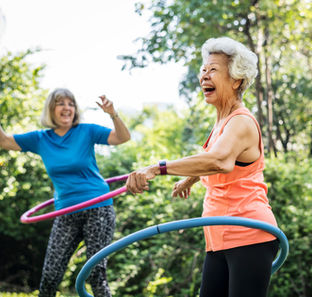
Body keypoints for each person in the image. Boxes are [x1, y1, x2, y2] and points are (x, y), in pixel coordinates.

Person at [125, 37, 279, 297]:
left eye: (213, 70)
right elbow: (212, 159)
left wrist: (156, 168)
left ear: (236, 79)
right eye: (203, 70)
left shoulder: (240, 122)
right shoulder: (222, 123)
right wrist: (190, 179)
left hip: (249, 234)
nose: (204, 76)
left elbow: (219, 160)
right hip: (218, 237)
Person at [0, 88, 130, 297]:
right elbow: (4, 141)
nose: (67, 108)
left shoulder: (86, 131)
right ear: (51, 109)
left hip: (98, 208)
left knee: (97, 274)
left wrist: (113, 113)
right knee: (50, 276)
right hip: (66, 212)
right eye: (61, 103)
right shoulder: (40, 139)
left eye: (71, 104)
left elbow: (122, 138)